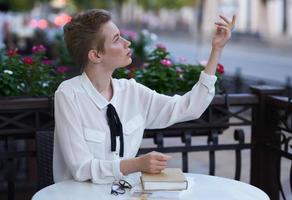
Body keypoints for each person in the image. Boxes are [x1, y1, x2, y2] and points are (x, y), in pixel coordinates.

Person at [53, 9, 236, 185]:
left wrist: (216, 50)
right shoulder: (69, 94)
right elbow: (81, 169)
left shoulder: (132, 92)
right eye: (117, 39)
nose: (127, 43)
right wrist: (137, 164)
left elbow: (189, 107)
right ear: (95, 55)